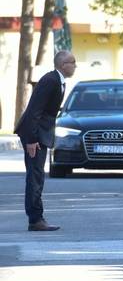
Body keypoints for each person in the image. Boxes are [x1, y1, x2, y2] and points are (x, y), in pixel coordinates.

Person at [14, 50, 77, 231]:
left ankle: (36, 218)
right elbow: (35, 110)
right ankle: (35, 219)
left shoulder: (58, 80)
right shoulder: (51, 80)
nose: (75, 66)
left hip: (40, 133)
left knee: (37, 176)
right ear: (63, 65)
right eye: (72, 62)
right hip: (35, 135)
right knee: (35, 177)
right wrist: (32, 139)